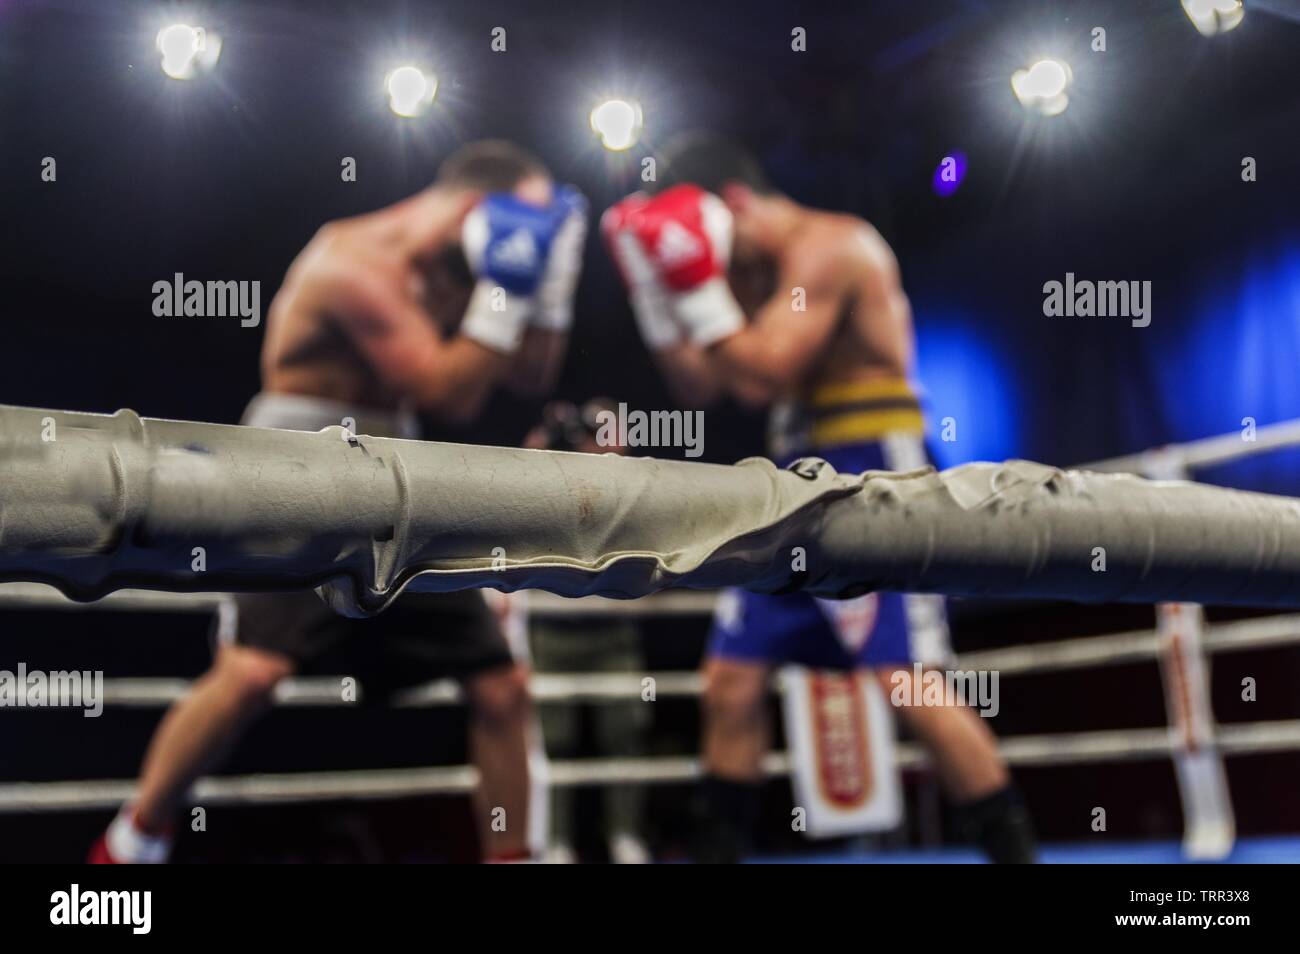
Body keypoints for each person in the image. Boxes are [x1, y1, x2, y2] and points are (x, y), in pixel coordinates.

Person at [91, 139, 587, 863]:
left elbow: (529, 375)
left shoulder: (458, 272)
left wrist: (549, 280)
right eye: (527, 231)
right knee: (254, 672)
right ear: (482, 211)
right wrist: (506, 290)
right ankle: (131, 844)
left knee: (501, 686)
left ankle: (511, 858)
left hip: (400, 473)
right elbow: (448, 391)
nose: (529, 245)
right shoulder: (355, 263)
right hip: (296, 462)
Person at [602, 132, 1036, 863]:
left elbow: (764, 372)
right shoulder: (752, 273)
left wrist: (699, 291)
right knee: (731, 682)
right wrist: (658, 294)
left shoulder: (834, 246)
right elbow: (706, 386)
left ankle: (1016, 855)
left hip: (876, 468)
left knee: (910, 684)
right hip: (791, 477)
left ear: (730, 206)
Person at [523, 399, 652, 864]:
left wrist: (614, 456)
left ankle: (626, 835)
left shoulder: (623, 482)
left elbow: (644, 509)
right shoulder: (537, 479)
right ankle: (554, 841)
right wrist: (532, 459)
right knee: (551, 741)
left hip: (612, 629)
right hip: (551, 628)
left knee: (624, 733)